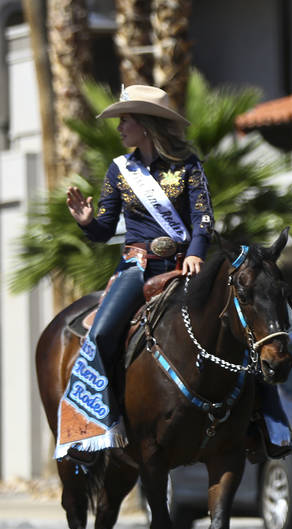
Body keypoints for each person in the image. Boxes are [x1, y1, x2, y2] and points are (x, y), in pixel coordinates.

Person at [54, 85, 212, 462]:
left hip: (183, 265)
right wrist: (88, 222)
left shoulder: (188, 164)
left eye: (125, 118)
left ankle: (264, 426)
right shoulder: (120, 170)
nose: (120, 126)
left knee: (242, 322)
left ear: (145, 123)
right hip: (137, 267)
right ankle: (100, 423)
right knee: (103, 332)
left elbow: (203, 218)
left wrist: (195, 253)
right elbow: (105, 230)